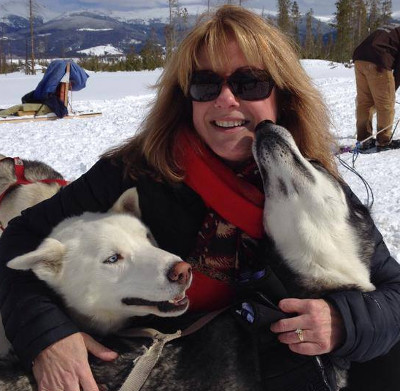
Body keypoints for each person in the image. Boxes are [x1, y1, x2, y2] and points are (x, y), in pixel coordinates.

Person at [1, 5, 400, 391]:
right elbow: (17, 240)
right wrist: (48, 334)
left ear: (282, 96)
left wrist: (345, 321)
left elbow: (392, 290)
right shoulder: (132, 172)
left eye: (249, 83)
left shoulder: (311, 186)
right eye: (206, 84)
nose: (225, 99)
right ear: (186, 98)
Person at [353, 23, 400, 151]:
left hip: (359, 58)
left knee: (365, 102)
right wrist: (391, 91)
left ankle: (364, 139)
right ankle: (384, 141)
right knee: (385, 104)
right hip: (379, 61)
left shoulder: (393, 28)